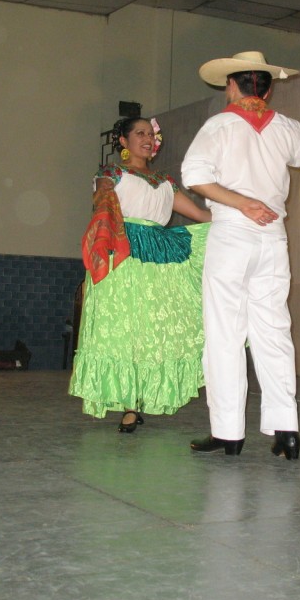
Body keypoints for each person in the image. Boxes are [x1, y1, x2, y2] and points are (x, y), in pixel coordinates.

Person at [181, 51, 300, 459]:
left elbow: (194, 176)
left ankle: (228, 432)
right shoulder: (285, 128)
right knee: (274, 333)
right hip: (273, 240)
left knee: (225, 335)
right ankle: (287, 431)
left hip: (233, 235)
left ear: (232, 86)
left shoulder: (219, 125)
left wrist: (240, 202)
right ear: (268, 88)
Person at [69, 116, 212, 433]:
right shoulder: (111, 173)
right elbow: (101, 201)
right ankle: (130, 405)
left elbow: (202, 215)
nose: (148, 139)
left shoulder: (165, 181)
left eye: (151, 134)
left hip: (159, 254)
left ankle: (144, 397)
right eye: (139, 133)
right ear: (123, 141)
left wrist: (236, 215)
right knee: (125, 327)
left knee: (155, 328)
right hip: (123, 253)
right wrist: (104, 192)